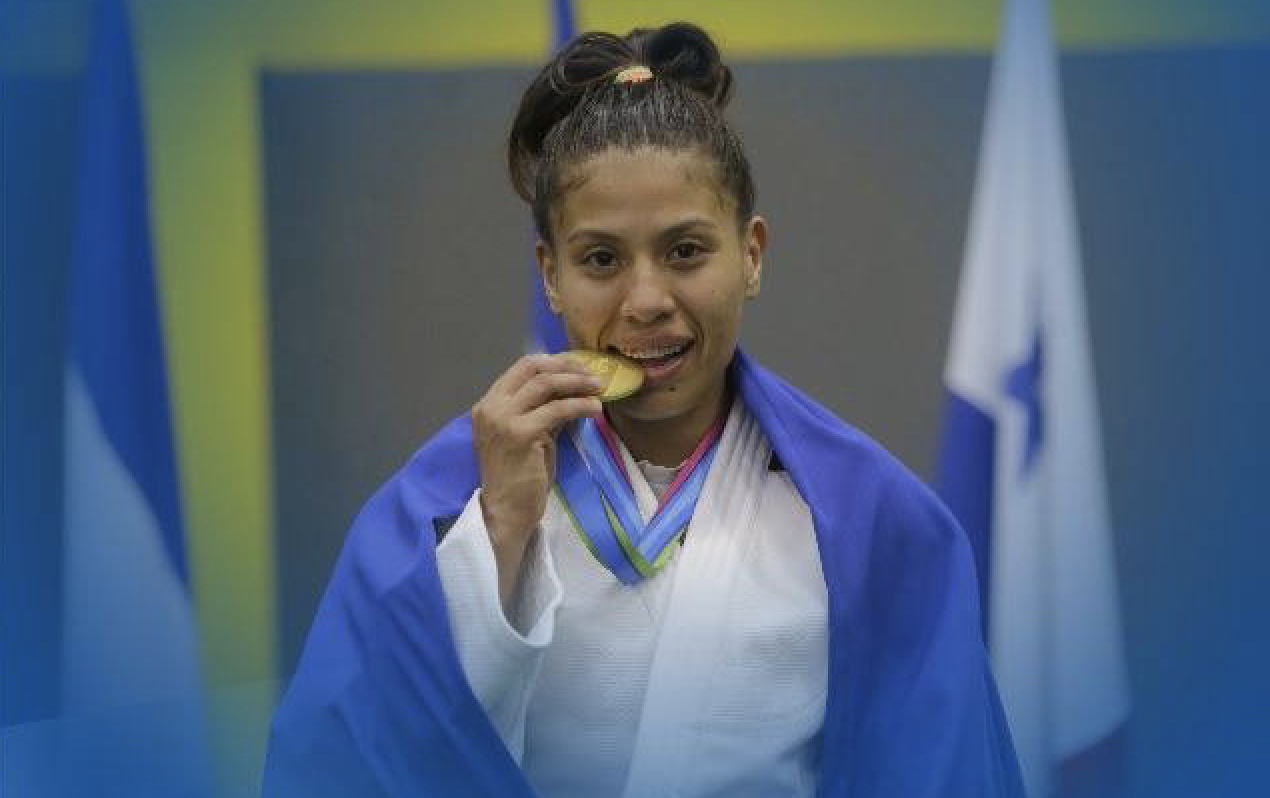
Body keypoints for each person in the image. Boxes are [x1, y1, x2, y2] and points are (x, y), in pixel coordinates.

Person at [264, 22, 1025, 798]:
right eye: (600, 259)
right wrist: (498, 532)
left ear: (752, 254)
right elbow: (347, 763)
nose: (647, 301)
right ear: (549, 274)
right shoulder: (440, 511)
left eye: (687, 250)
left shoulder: (878, 526)